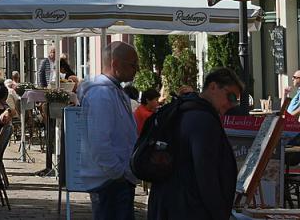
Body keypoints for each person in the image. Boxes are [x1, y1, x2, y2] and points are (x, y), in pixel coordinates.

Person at [147, 68, 242, 220]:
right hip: (187, 208)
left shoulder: (185, 110)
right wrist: (219, 214)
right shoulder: (202, 119)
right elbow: (206, 174)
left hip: (167, 204)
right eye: (230, 96)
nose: (231, 104)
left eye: (236, 100)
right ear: (213, 87)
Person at [79, 41, 139, 220]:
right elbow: (100, 143)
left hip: (115, 179)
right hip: (109, 182)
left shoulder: (114, 91)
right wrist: (119, 173)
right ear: (115, 64)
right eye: (133, 65)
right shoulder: (102, 94)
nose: (137, 69)